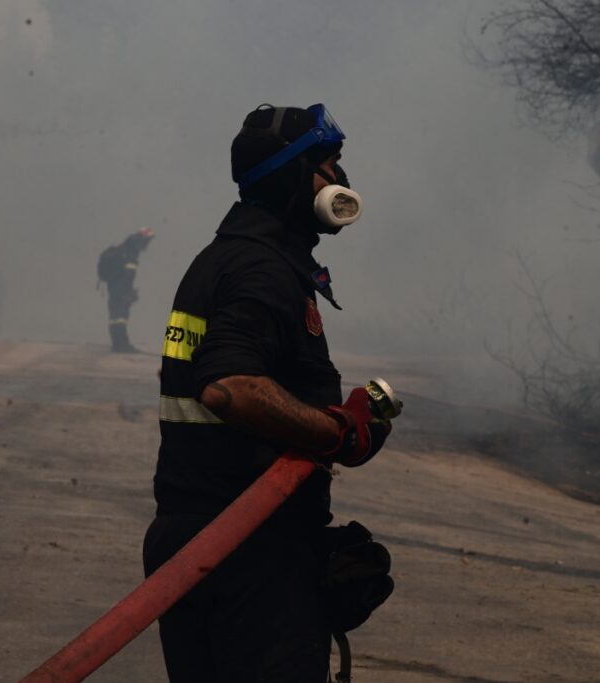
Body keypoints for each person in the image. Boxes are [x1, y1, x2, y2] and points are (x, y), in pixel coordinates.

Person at [143, 103, 392, 683]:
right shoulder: (262, 271)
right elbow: (231, 389)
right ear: (288, 177)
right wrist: (341, 432)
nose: (341, 181)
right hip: (246, 551)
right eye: (327, 165)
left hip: (200, 542)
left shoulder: (226, 260)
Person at [97, 227, 155, 352]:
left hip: (114, 287)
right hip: (120, 289)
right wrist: (128, 293)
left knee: (115, 317)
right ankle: (122, 345)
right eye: (148, 241)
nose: (147, 244)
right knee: (120, 316)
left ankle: (117, 344)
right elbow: (128, 276)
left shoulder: (124, 248)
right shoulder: (131, 252)